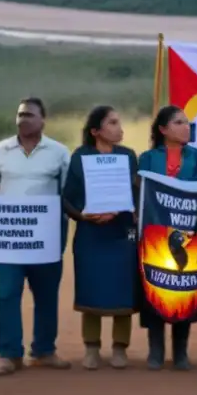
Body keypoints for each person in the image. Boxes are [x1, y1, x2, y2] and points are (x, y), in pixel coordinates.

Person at [0, 98, 71, 375]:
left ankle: (44, 350)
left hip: (46, 237)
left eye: (30, 115)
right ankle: (9, 355)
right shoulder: (0, 150)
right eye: (20, 115)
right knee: (7, 294)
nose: (23, 119)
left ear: (43, 120)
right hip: (9, 238)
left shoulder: (59, 152)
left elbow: (69, 194)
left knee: (46, 295)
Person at [62, 106, 139, 370]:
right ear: (96, 131)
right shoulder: (80, 156)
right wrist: (83, 217)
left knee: (123, 287)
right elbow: (67, 197)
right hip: (91, 233)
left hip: (122, 231)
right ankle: (91, 347)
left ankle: (120, 347)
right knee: (91, 287)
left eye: (119, 122)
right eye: (113, 123)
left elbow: (136, 193)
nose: (120, 128)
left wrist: (121, 208)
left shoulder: (129, 156)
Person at [137, 105, 197, 371]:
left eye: (187, 123)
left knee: (184, 289)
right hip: (154, 237)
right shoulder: (147, 158)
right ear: (163, 129)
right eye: (179, 123)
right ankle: (155, 349)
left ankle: (181, 351)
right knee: (154, 288)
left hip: (189, 237)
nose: (186, 127)